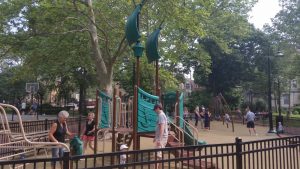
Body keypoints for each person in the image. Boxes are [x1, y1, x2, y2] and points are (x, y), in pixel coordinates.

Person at [153, 104, 168, 169]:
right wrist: (156, 137)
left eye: (155, 109)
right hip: (160, 137)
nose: (155, 111)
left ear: (158, 108)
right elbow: (159, 128)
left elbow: (162, 128)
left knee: (157, 154)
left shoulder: (161, 115)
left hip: (162, 137)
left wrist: (159, 139)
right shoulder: (161, 115)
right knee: (159, 154)